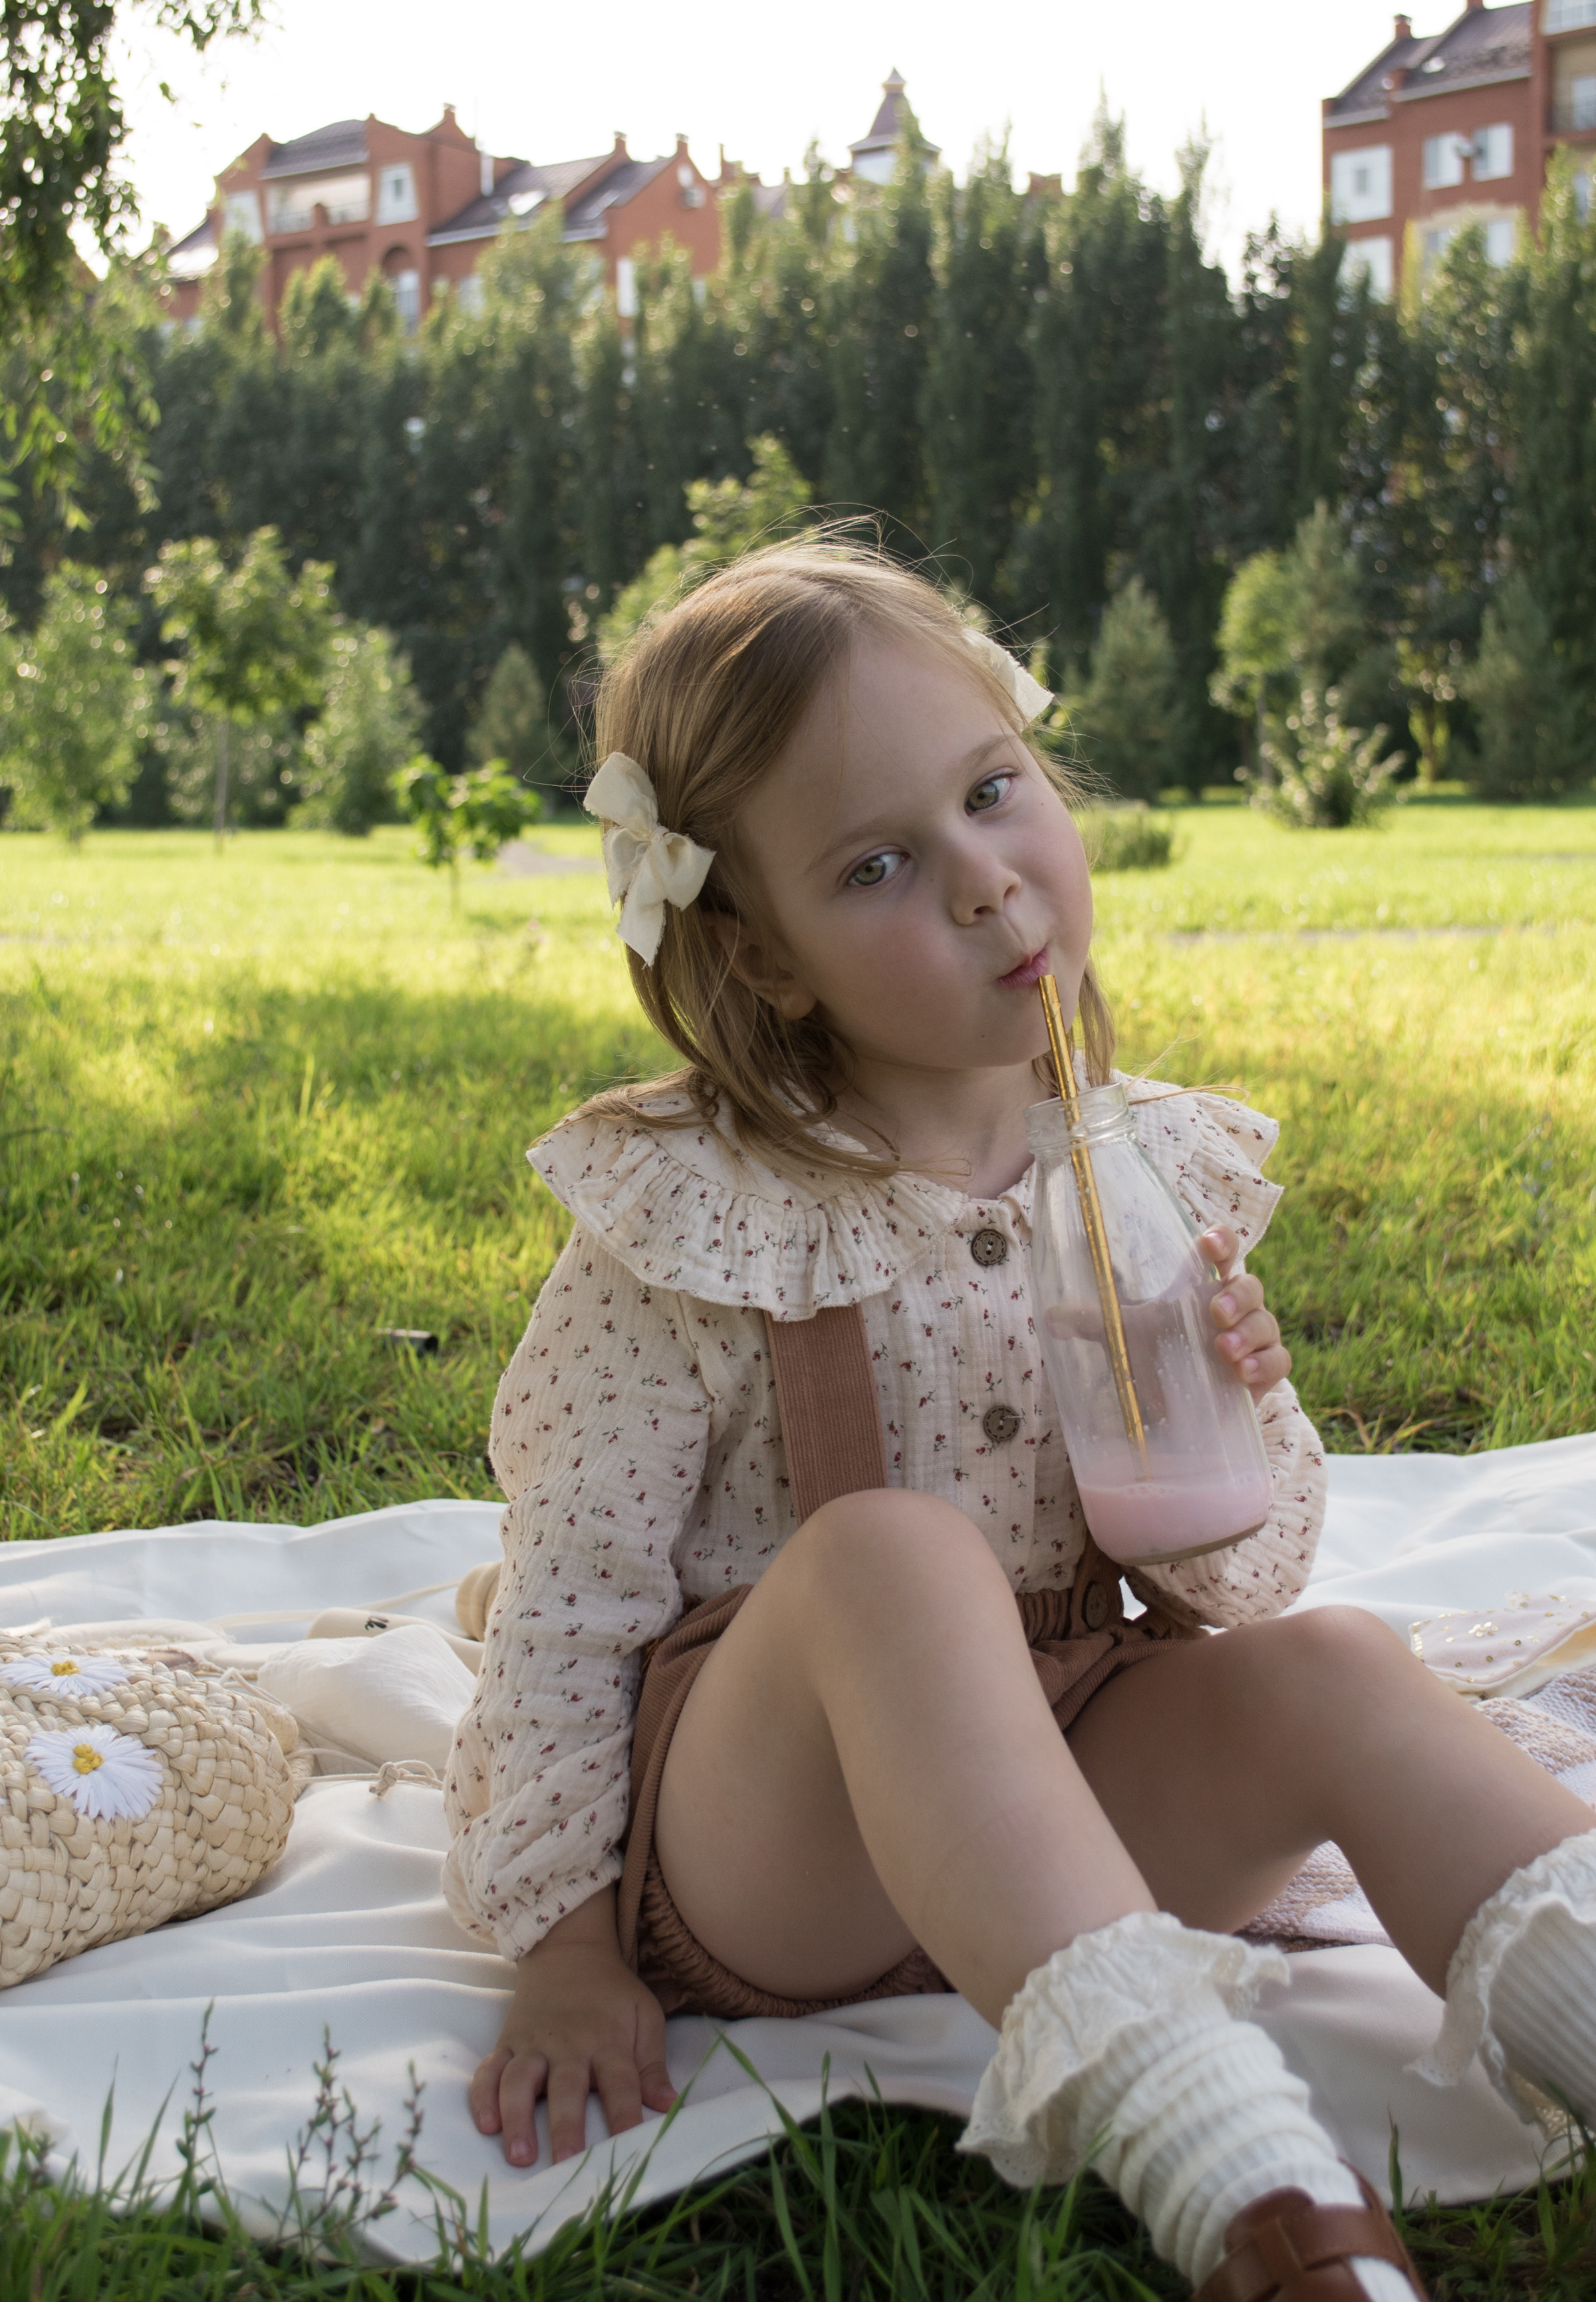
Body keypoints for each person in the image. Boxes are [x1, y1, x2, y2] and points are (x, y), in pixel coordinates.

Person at [444, 545, 1596, 2302]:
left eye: (995, 794)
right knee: (893, 1558)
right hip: (785, 1845)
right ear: (758, 953)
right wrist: (561, 1942)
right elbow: (565, 1609)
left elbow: (1238, 1590)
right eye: (881, 864)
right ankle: (1256, 2195)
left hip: (1075, 1766)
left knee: (1351, 1666)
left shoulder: (1134, 1167)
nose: (988, 882)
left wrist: (1230, 1413)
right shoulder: (694, 1220)